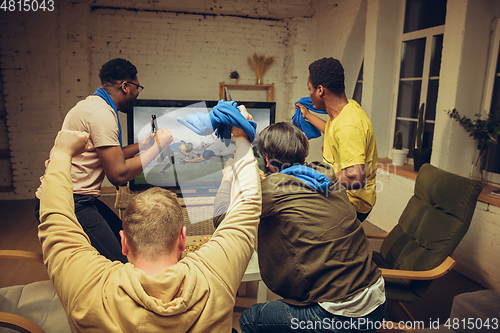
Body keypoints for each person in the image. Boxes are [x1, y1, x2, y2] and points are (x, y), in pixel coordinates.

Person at [38, 108, 260, 332]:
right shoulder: (215, 273)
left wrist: (61, 153)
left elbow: (55, 217)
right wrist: (241, 138)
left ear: (123, 242)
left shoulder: (87, 284)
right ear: (183, 239)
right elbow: (248, 204)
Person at [213, 122, 386, 333]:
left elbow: (221, 218)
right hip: (376, 301)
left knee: (250, 318)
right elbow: (288, 186)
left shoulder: (272, 189)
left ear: (267, 160)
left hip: (337, 315)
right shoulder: (324, 174)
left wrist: (227, 177)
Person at [35, 58, 172, 263]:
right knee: (119, 262)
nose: (137, 93)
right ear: (126, 86)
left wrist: (142, 146)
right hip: (70, 202)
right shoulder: (102, 114)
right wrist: (159, 147)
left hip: (77, 198)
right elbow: (118, 173)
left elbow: (109, 155)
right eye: (137, 87)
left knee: (126, 243)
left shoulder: (95, 105)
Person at [297, 57, 378, 222]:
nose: (310, 95)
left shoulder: (349, 125)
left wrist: (313, 178)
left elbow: (356, 177)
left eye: (310, 90)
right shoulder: (347, 109)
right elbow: (333, 132)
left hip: (352, 204)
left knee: (296, 214)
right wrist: (308, 116)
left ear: (320, 90)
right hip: (342, 194)